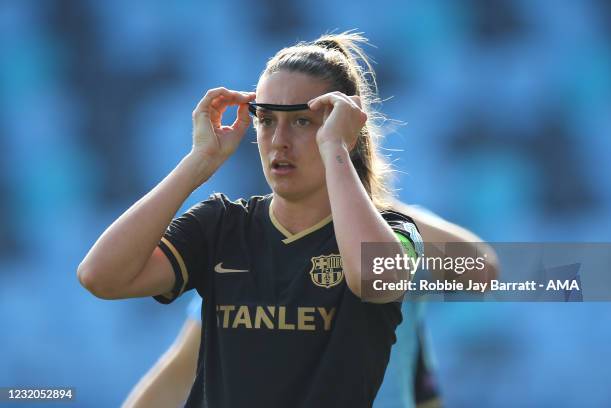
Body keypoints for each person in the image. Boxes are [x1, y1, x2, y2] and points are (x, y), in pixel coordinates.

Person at [79, 32, 494, 407]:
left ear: (344, 130)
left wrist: (337, 154)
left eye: (302, 121)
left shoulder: (397, 234)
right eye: (266, 120)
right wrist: (197, 163)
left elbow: (476, 271)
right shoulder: (222, 226)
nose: (279, 141)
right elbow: (100, 276)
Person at [122, 204, 497, 408]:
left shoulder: (397, 240)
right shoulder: (250, 246)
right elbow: (177, 377)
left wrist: (372, 210)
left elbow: (481, 272)